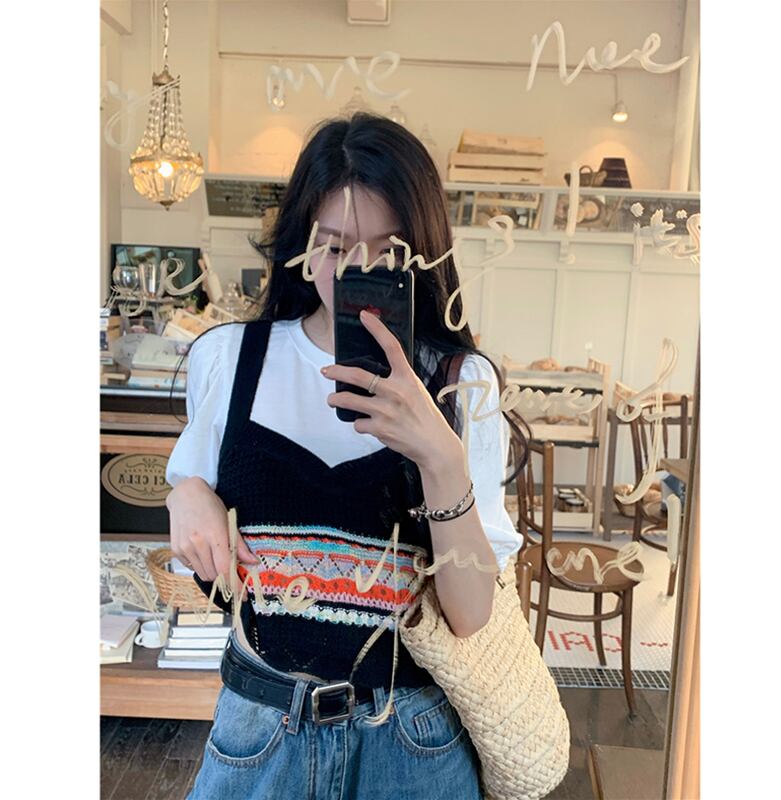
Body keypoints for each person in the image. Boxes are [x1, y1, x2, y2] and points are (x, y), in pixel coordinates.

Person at [165, 112, 528, 800]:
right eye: (332, 246)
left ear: (423, 257)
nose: (356, 271)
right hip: (261, 731)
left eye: (388, 253)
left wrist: (441, 458)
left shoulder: (460, 385)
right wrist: (186, 492)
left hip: (410, 743)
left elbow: (471, 614)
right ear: (302, 246)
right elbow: (193, 501)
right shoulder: (230, 359)